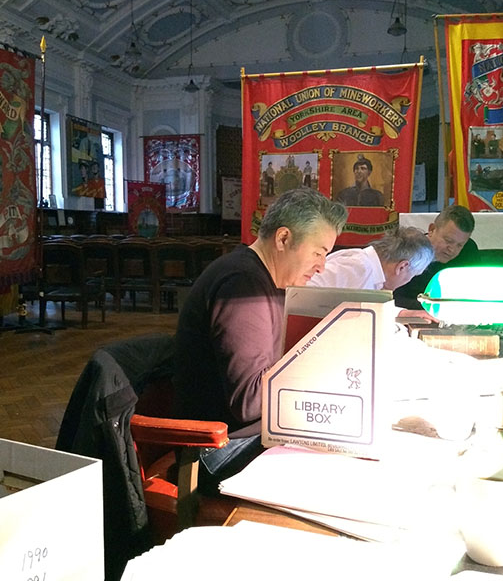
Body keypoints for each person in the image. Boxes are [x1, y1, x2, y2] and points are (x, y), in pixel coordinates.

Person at [173, 187, 348, 490]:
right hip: (220, 449)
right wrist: (321, 358)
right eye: (319, 252)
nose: (322, 266)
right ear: (283, 239)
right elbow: (249, 401)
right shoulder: (243, 285)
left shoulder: (267, 280)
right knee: (338, 478)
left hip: (253, 433)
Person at [392, 204, 479, 315]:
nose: (452, 249)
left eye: (460, 245)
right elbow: (394, 299)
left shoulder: (468, 250)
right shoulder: (410, 252)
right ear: (432, 229)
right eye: (448, 240)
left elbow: (475, 293)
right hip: (415, 317)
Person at [307, 226, 434, 291]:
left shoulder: (371, 270)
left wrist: (402, 313)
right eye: (413, 275)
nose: (408, 281)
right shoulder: (358, 267)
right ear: (402, 267)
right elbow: (301, 293)